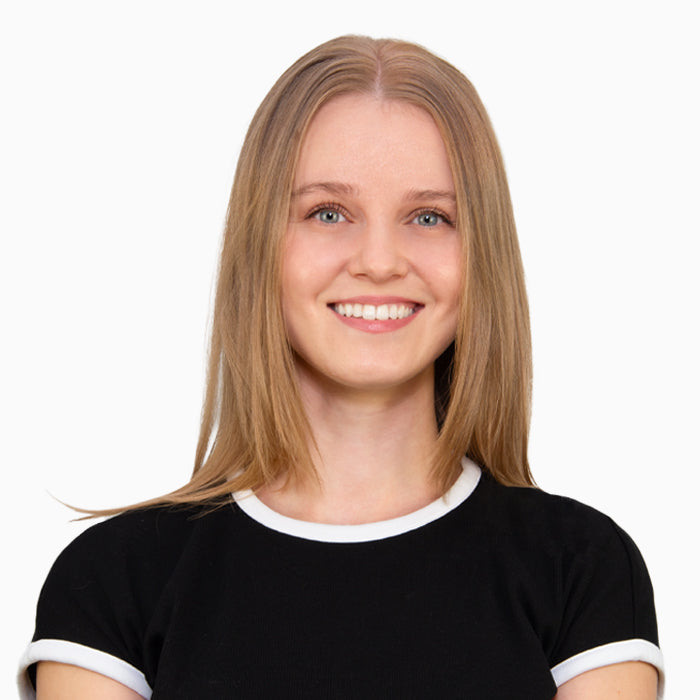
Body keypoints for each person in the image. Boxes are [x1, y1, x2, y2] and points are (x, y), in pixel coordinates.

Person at [19, 35, 663, 699]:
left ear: (482, 254)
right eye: (327, 212)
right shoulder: (115, 581)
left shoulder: (582, 570)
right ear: (260, 244)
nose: (379, 261)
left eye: (429, 217)